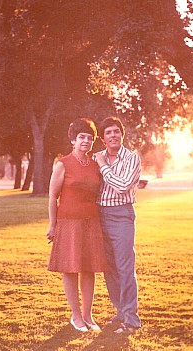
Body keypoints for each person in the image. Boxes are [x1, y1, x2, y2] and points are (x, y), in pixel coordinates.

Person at [46, 118, 108, 332]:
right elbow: (52, 197)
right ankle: (75, 317)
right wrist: (52, 226)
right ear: (73, 139)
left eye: (90, 138)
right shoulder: (63, 164)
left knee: (89, 269)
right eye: (82, 137)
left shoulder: (95, 165)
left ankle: (88, 316)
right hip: (68, 223)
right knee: (70, 269)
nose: (86, 141)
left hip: (91, 222)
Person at [94, 116, 141, 334]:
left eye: (116, 131)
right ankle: (121, 310)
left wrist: (103, 167)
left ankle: (131, 320)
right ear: (103, 138)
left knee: (124, 267)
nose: (113, 135)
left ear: (121, 134)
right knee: (108, 268)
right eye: (108, 133)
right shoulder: (97, 157)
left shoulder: (131, 158)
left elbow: (122, 186)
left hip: (121, 215)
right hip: (99, 216)